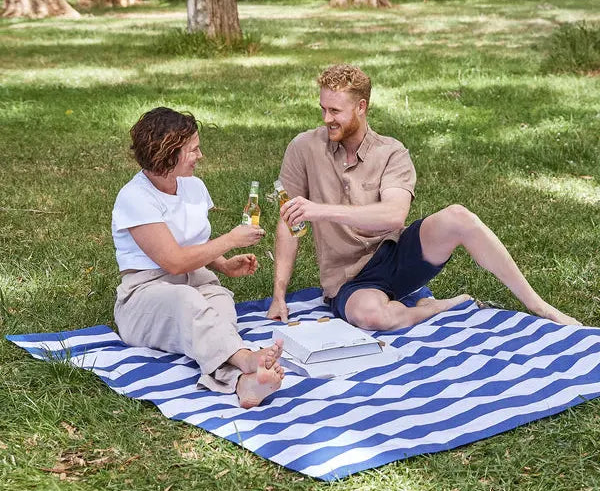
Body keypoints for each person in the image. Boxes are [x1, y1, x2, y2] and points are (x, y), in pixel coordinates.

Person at [267, 64, 580, 330]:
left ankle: (540, 307)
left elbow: (393, 216)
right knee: (374, 316)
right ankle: (435, 307)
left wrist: (320, 211)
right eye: (323, 108)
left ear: (361, 107)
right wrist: (279, 294)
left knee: (459, 217)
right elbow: (288, 222)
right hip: (348, 281)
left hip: (396, 254)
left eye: (335, 110)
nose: (326, 118)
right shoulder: (304, 147)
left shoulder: (391, 151)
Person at [112, 106, 284, 409]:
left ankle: (244, 384)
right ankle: (246, 358)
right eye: (193, 150)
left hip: (196, 278)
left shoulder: (194, 186)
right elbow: (174, 261)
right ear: (168, 154)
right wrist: (230, 239)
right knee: (189, 304)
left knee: (219, 305)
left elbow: (193, 243)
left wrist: (223, 265)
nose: (200, 155)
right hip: (144, 295)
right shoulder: (135, 198)